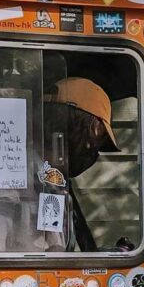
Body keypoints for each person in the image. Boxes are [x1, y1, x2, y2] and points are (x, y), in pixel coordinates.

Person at [44, 74, 119, 252]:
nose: (92, 148)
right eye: (97, 139)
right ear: (93, 127)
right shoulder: (38, 182)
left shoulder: (54, 181)